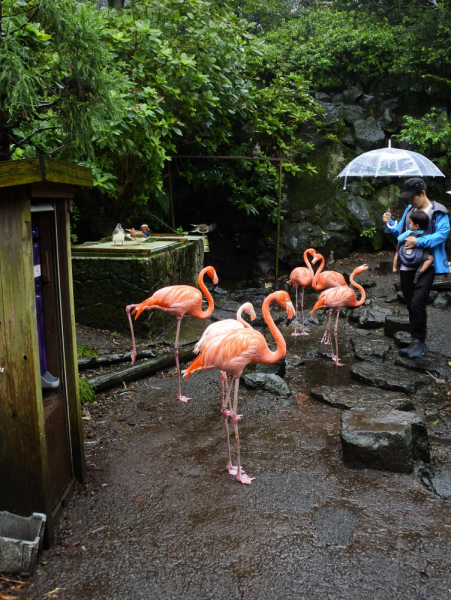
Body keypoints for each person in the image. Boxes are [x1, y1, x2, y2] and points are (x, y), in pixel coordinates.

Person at [383, 177, 450, 359]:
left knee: (417, 301)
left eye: (411, 197)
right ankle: (415, 340)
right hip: (406, 264)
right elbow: (400, 232)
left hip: (426, 264)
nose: (409, 200)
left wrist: (419, 241)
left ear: (422, 193)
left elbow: (442, 235)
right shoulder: (409, 209)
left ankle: (419, 341)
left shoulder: (438, 212)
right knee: (410, 301)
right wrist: (389, 223)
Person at [393, 211, 434, 280]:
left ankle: (394, 267)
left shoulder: (409, 232)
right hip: (419, 255)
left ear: (416, 226)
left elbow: (399, 239)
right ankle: (421, 271)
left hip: (407, 253)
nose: (409, 225)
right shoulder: (426, 234)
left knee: (398, 254)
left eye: (410, 223)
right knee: (431, 258)